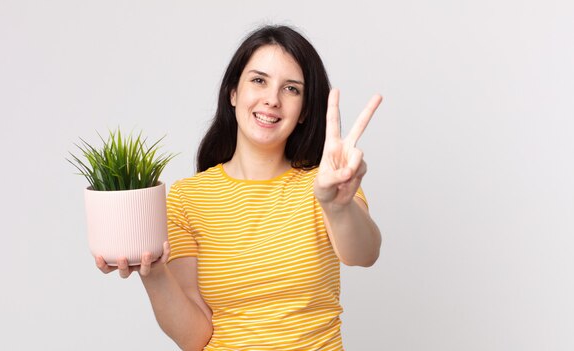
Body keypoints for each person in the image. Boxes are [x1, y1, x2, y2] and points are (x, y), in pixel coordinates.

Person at [96, 24, 382, 350]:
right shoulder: (188, 197)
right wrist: (154, 272)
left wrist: (336, 204)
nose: (272, 99)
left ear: (303, 111)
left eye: (291, 89)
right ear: (233, 93)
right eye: (259, 81)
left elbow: (364, 254)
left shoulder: (327, 184)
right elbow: (194, 338)